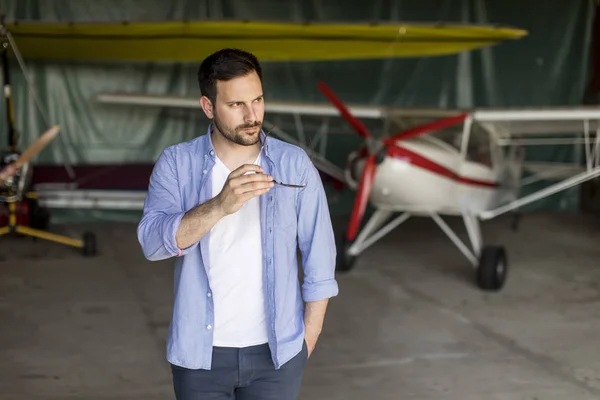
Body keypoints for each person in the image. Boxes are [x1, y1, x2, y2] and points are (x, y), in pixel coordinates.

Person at [137, 48, 339, 400]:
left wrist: (307, 339)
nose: (252, 115)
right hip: (200, 356)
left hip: (279, 355)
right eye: (236, 105)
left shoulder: (294, 165)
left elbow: (320, 255)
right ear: (208, 107)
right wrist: (219, 205)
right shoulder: (176, 163)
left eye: (258, 100)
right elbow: (152, 245)